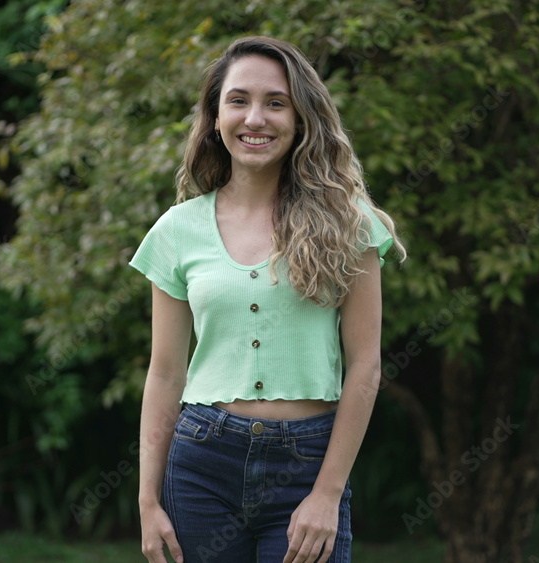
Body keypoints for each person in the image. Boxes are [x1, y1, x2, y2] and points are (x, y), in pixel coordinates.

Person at [129, 36, 406, 563]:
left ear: (301, 118)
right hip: (200, 465)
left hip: (308, 465)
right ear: (215, 117)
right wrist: (147, 501)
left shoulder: (351, 225)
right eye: (238, 101)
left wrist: (326, 495)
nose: (255, 118)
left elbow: (366, 367)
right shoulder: (176, 231)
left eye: (275, 103)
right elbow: (165, 373)